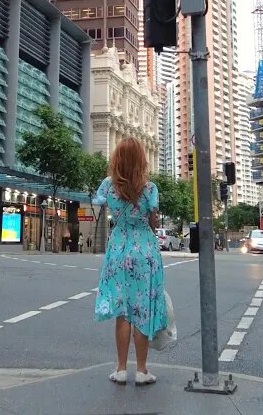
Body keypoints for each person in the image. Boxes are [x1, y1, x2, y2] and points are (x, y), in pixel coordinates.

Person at [93, 137, 166, 386]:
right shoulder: (150, 188)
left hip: (118, 249)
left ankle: (121, 369)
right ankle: (142, 370)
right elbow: (153, 223)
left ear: (117, 159)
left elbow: (100, 203)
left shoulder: (108, 186)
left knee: (122, 311)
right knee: (142, 309)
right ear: (141, 160)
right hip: (144, 250)